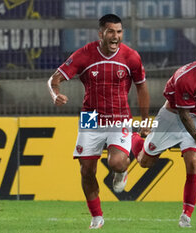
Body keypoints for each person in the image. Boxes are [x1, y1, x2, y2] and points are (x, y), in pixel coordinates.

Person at [47, 14, 149, 229]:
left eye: (119, 32)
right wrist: (55, 94)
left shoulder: (131, 57)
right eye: (111, 31)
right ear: (101, 33)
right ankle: (96, 216)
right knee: (86, 170)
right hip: (91, 117)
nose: (116, 36)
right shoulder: (84, 55)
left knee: (117, 162)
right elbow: (54, 79)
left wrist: (146, 119)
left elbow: (141, 86)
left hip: (119, 116)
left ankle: (122, 170)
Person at [131, 35, 196, 228]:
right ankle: (133, 137)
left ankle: (186, 216)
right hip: (172, 117)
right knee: (144, 162)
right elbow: (183, 115)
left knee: (194, 163)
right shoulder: (186, 78)